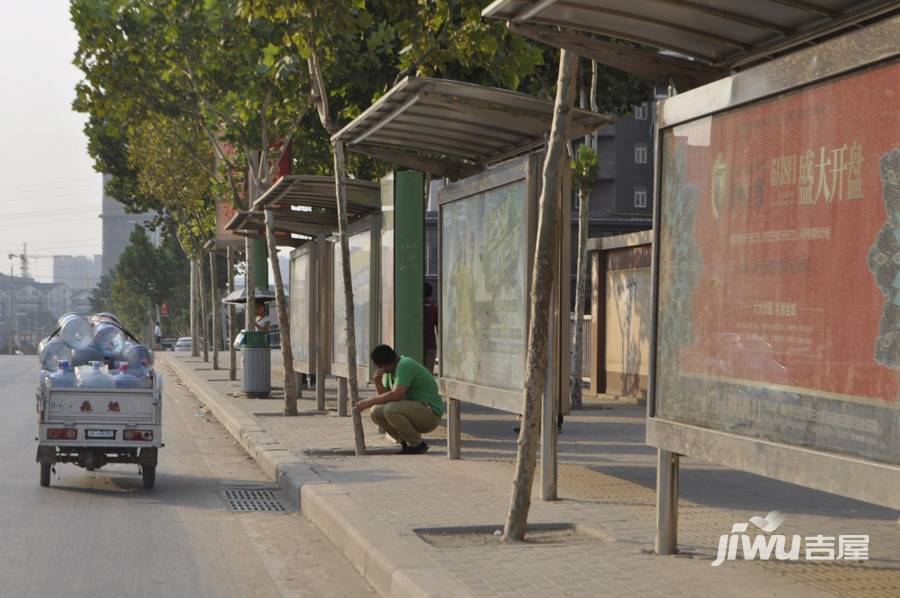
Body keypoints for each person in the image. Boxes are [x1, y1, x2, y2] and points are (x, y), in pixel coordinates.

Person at [354, 344, 443, 454]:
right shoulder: (389, 371)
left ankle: (417, 444)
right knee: (375, 411)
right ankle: (404, 442)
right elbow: (386, 398)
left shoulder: (405, 365)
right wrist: (378, 383)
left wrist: (368, 402)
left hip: (430, 414)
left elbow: (397, 395)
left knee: (390, 409)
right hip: (414, 411)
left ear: (382, 365)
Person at [423, 283, 439, 374]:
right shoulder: (434, 308)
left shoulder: (415, 307)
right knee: (428, 373)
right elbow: (438, 328)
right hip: (430, 344)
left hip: (416, 344)